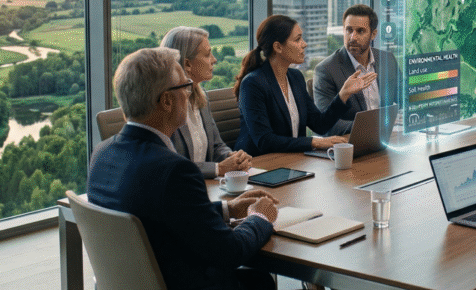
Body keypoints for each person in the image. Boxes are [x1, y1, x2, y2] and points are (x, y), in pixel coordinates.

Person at [88, 47, 279, 290]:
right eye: (185, 87)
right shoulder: (175, 171)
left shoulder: (102, 154)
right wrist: (261, 217)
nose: (190, 94)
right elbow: (229, 253)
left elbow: (155, 216)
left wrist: (226, 209)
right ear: (166, 100)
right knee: (259, 281)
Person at [233, 15, 376, 157]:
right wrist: (314, 142)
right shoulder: (252, 84)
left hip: (293, 159)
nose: (304, 44)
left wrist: (344, 94)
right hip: (260, 164)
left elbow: (319, 124)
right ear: (278, 47)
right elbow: (264, 140)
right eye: (297, 39)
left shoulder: (295, 77)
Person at [162, 26, 253, 178]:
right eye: (207, 54)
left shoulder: (201, 95)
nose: (214, 60)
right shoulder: (165, 106)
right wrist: (218, 168)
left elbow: (216, 146)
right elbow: (171, 164)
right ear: (187, 64)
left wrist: (232, 158)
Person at [313, 4, 401, 135]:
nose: (353, 37)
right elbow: (326, 124)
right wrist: (372, 128)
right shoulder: (326, 70)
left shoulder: (387, 60)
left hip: (388, 139)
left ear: (373, 34)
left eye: (360, 31)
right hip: (351, 145)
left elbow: (405, 98)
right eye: (349, 30)